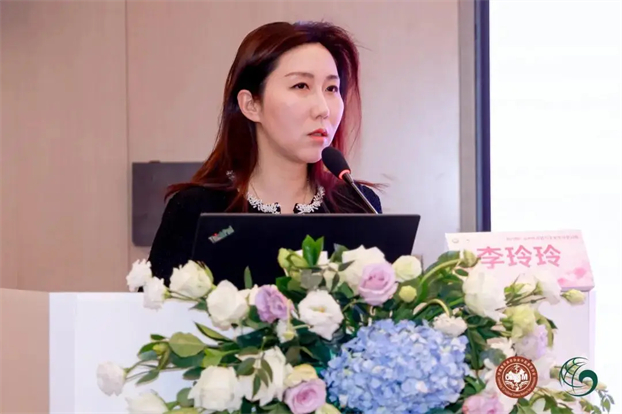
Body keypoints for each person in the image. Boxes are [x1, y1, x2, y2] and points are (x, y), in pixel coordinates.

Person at [148, 21, 383, 285]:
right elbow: (154, 309)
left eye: (331, 89)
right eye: (301, 86)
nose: (323, 109)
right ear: (251, 104)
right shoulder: (195, 209)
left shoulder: (359, 206)